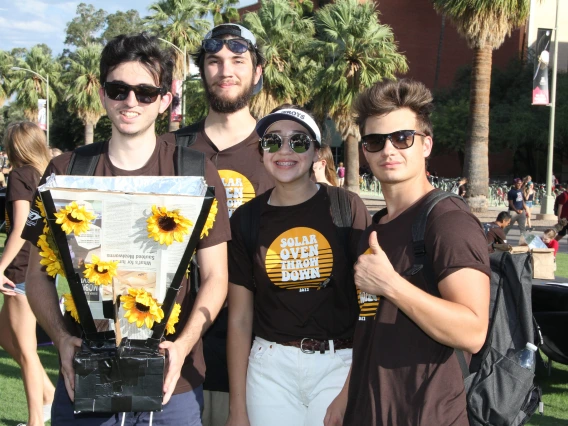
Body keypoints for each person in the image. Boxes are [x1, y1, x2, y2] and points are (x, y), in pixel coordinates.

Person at [22, 33, 231, 425]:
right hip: (84, 379)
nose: (130, 102)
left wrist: (183, 346)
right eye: (119, 90)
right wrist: (61, 338)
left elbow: (217, 276)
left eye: (145, 92)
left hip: (174, 385)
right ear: (103, 96)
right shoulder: (65, 171)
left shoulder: (195, 172)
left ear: (165, 100)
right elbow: (37, 275)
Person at [338, 79, 490, 425]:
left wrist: (391, 284)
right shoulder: (375, 229)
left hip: (427, 414)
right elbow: (370, 327)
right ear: (365, 152)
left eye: (402, 138)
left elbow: (472, 332)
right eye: (375, 141)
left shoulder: (448, 220)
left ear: (426, 145)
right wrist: (346, 396)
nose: (388, 150)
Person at [225, 106, 371, 426]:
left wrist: (349, 390)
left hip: (339, 363)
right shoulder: (246, 220)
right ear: (262, 151)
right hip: (270, 369)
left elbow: (369, 307)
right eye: (273, 141)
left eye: (299, 142)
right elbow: (239, 319)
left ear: (317, 152)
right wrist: (238, 409)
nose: (285, 151)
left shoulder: (346, 207)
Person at [161, 23, 274, 426]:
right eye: (214, 61)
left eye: (238, 60)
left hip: (261, 359)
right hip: (178, 360)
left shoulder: (281, 152)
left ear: (257, 72)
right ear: (202, 71)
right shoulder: (172, 151)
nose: (226, 70)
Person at [0, 122, 55, 426]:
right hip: (39, 265)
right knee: (6, 337)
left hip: (21, 269)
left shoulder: (21, 175)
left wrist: (0, 267)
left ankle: (36, 420)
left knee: (26, 351)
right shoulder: (44, 174)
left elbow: (21, 228)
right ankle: (49, 394)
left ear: (15, 146)